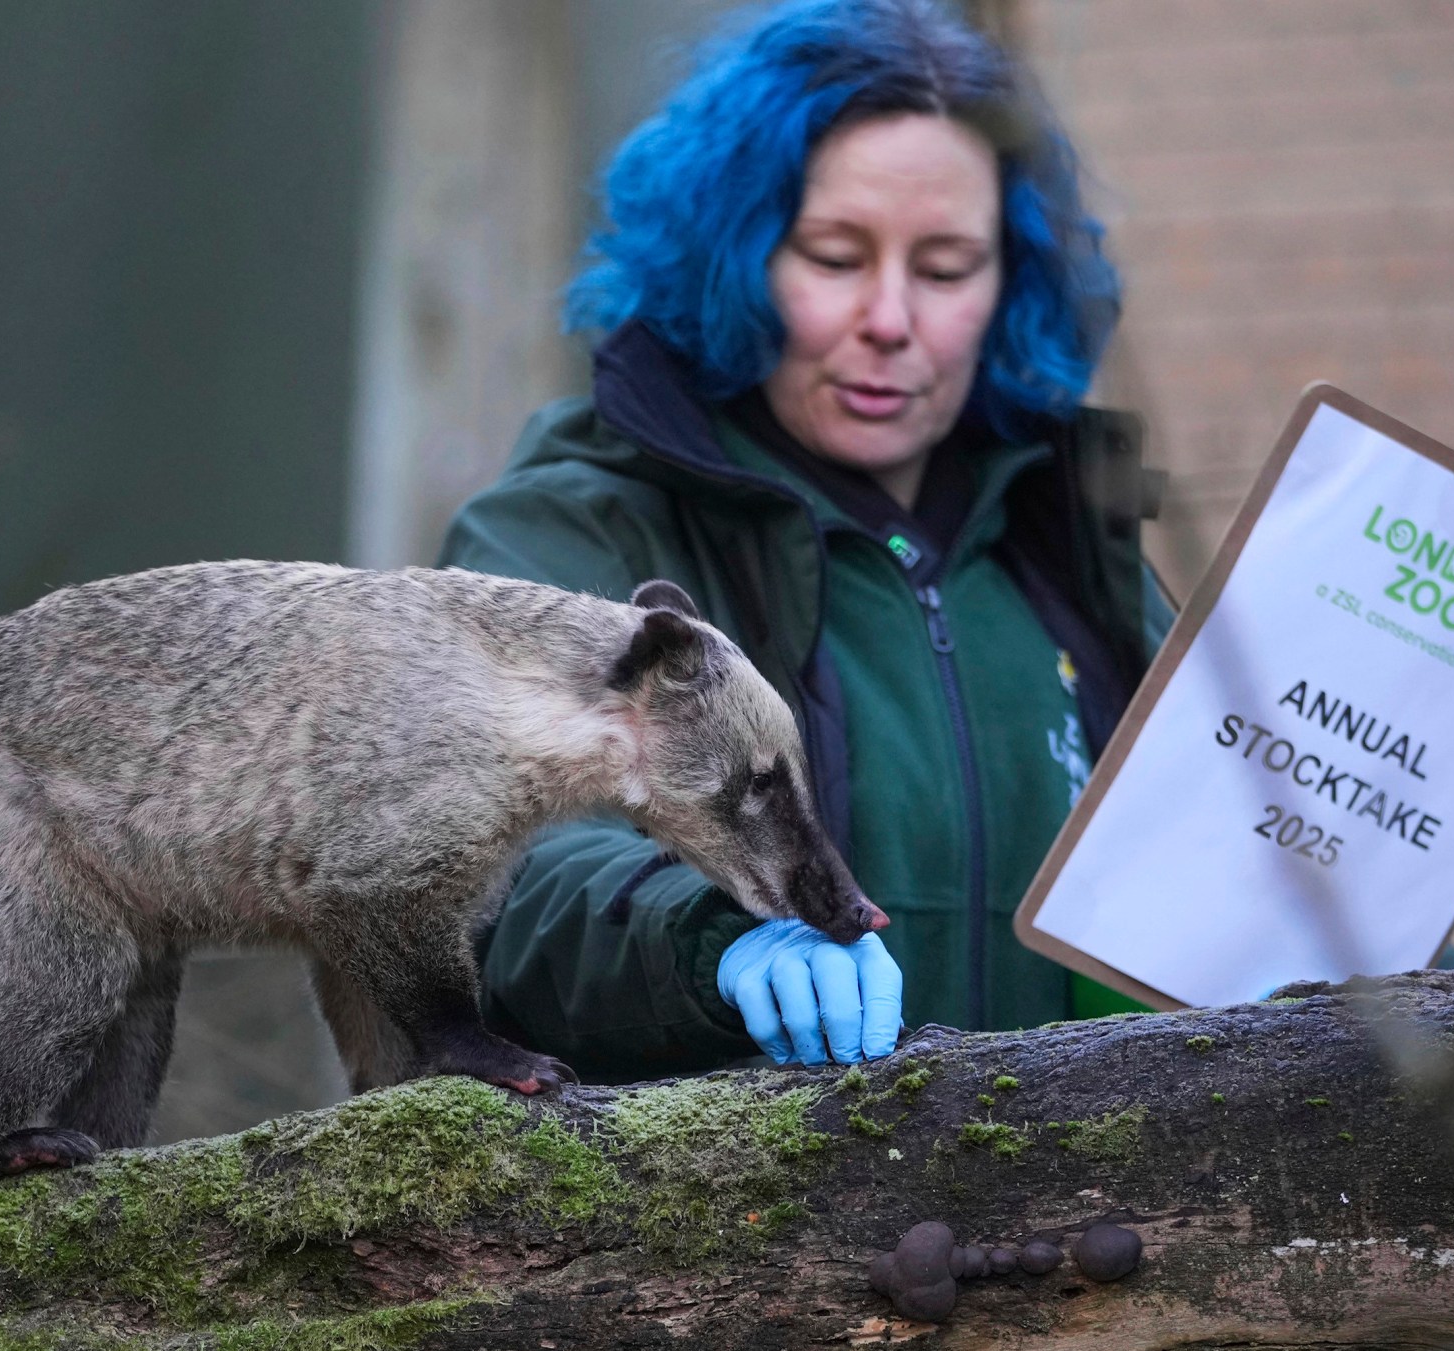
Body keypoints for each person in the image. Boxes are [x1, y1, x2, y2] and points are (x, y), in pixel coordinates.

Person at [437, 0, 1171, 1082]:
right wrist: (711, 944)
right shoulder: (576, 522)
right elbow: (496, 877)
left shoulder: (1064, 545)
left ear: (1010, 287)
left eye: (945, 268)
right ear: (734, 258)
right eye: (833, 256)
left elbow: (1268, 854)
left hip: (1091, 1227)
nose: (888, 318)